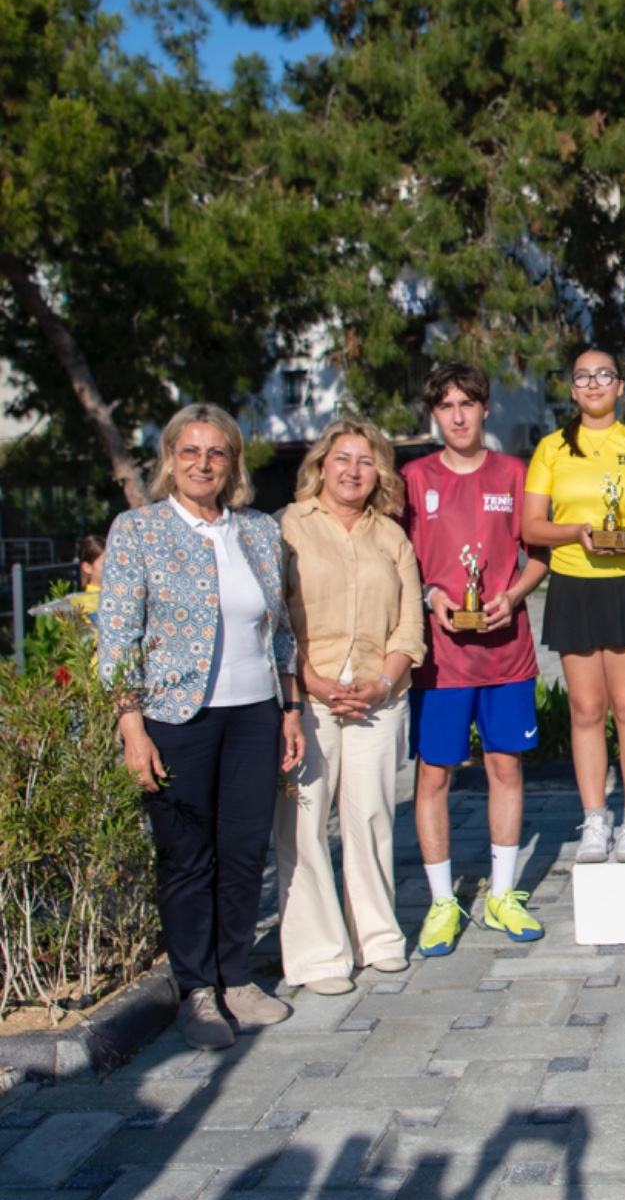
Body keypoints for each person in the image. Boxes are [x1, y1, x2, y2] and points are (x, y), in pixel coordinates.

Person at [98, 403, 303, 1051]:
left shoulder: (260, 532)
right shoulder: (138, 531)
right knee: (188, 857)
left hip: (253, 715)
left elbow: (281, 631)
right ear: (170, 459)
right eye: (190, 451)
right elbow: (118, 636)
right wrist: (132, 725)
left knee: (244, 852)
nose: (203, 463)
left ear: (233, 464)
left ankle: (236, 976)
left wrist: (290, 708)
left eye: (217, 453)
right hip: (175, 718)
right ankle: (197, 991)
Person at [403, 362, 549, 957]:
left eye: (468, 403)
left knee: (506, 769)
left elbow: (538, 556)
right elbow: (400, 561)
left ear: (485, 408)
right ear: (434, 414)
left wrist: (513, 595)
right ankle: (442, 902)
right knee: (433, 775)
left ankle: (503, 896)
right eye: (446, 406)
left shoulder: (516, 473)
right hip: (439, 661)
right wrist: (431, 595)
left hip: (506, 654)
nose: (458, 416)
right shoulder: (413, 478)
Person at [276, 419, 424, 996]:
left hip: (377, 700)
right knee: (304, 824)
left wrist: (384, 684)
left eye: (366, 461)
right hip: (306, 701)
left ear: (379, 473)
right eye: (343, 458)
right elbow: (274, 617)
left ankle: (377, 938)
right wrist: (308, 679)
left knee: (370, 817)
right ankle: (318, 957)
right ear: (320, 464)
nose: (353, 471)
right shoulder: (286, 527)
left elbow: (410, 624)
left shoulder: (390, 536)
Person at [523, 350, 625, 866]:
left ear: (620, 386)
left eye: (603, 375)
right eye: (583, 376)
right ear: (572, 388)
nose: (593, 383)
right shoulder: (550, 449)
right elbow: (531, 527)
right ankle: (594, 820)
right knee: (586, 710)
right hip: (573, 583)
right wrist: (577, 534)